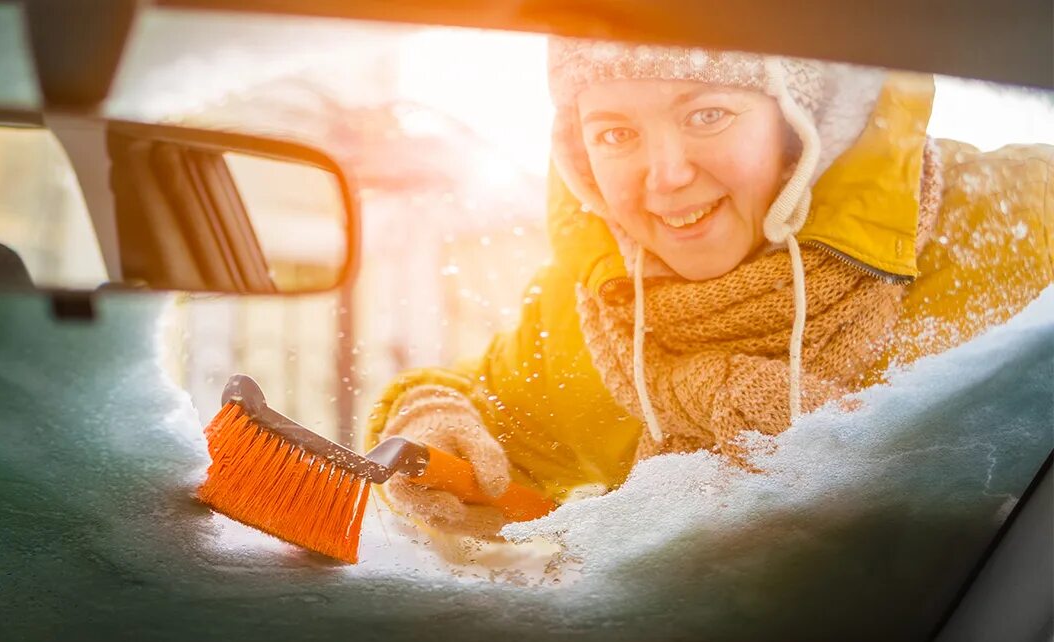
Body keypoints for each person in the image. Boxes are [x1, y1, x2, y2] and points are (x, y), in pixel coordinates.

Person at [366, 38, 1054, 536]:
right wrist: (432, 419)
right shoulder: (598, 316)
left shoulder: (1016, 221)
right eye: (614, 134)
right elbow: (476, 412)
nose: (664, 176)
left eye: (706, 116)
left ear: (799, 121)